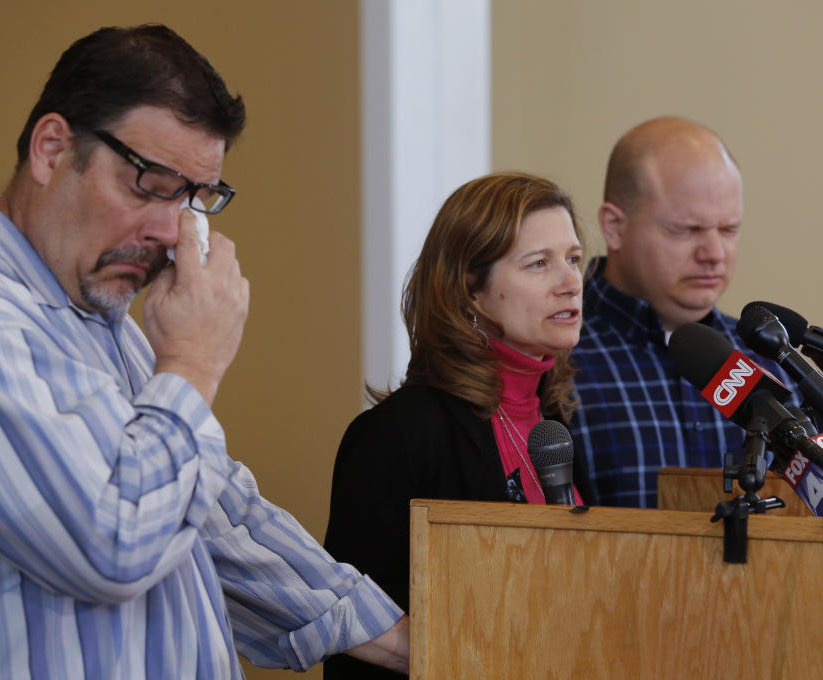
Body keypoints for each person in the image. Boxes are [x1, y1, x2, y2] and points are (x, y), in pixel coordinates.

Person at [0, 25, 407, 679]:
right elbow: (115, 544)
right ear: (52, 148)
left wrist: (410, 641)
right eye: (149, 182)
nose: (167, 231)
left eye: (194, 198)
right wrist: (195, 363)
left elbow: (205, 508)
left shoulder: (94, 307)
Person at [323, 172, 595, 679]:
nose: (570, 281)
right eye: (539, 264)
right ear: (471, 290)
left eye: (574, 259)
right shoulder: (397, 435)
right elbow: (354, 640)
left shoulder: (557, 422)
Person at [570, 116, 796, 508]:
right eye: (685, 230)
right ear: (614, 227)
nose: (713, 254)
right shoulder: (555, 354)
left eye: (729, 229)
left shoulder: (768, 360)